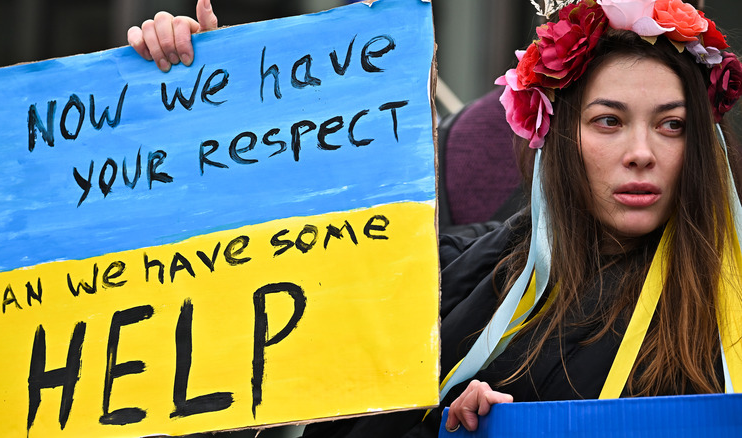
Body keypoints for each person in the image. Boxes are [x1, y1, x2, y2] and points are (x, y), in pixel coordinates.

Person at [129, 0, 742, 436]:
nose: (642, 152)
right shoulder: (458, 275)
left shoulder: (731, 305)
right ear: (558, 139)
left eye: (672, 125)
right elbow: (269, 313)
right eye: (608, 121)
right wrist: (206, 106)